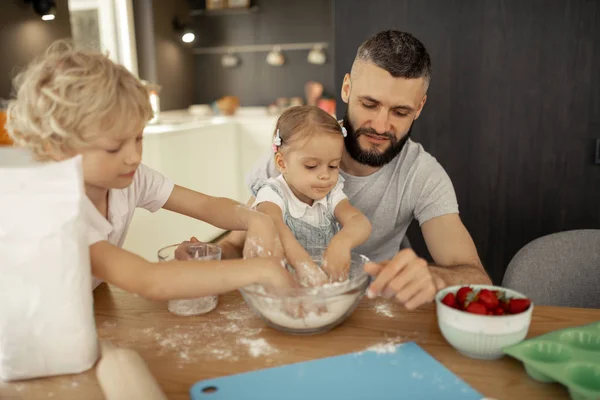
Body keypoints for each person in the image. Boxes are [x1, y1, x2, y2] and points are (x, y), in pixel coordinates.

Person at [218, 30, 492, 310]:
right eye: (369, 104)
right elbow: (235, 245)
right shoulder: (294, 155)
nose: (381, 126)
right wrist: (209, 257)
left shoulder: (422, 175)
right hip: (289, 306)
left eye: (400, 112)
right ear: (347, 89)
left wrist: (436, 278)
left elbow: (478, 279)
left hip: (376, 315)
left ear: (420, 107)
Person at [6, 42, 298, 301]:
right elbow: (147, 281)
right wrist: (257, 270)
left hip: (86, 303)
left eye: (138, 138)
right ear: (58, 147)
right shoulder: (59, 207)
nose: (133, 156)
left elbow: (206, 205)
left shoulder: (130, 177)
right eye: (113, 147)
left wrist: (253, 218)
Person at [250, 105, 372, 286]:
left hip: (320, 286)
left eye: (333, 166)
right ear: (282, 163)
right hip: (281, 286)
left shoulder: (331, 195)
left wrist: (342, 242)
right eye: (311, 166)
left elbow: (359, 221)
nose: (325, 175)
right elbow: (275, 227)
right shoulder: (272, 194)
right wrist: (303, 264)